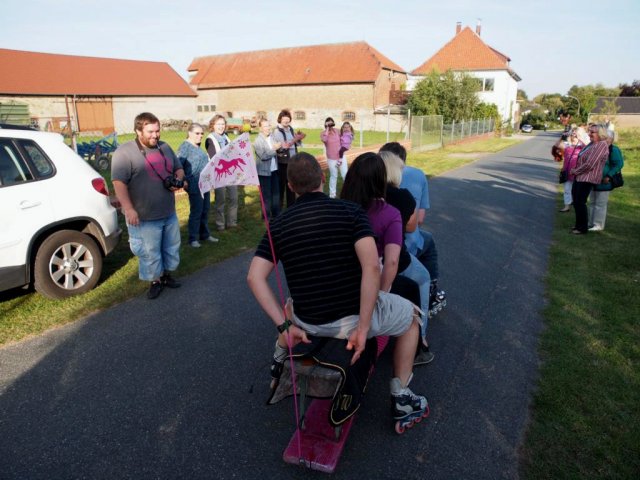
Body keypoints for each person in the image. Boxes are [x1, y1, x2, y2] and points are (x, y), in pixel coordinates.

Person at [247, 152, 429, 428]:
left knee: (289, 306)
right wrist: (363, 329)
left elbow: (254, 278)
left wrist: (285, 327)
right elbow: (371, 268)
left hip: (305, 322)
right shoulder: (350, 212)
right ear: (323, 178)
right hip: (351, 323)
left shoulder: (279, 224)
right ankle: (402, 396)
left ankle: (280, 353)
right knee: (412, 318)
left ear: (291, 186)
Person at [340, 152, 433, 365]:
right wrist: (379, 296)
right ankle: (412, 359)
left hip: (342, 280)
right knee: (413, 306)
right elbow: (391, 262)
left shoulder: (340, 208)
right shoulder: (388, 212)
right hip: (371, 279)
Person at [111, 112, 184, 299]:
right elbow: (118, 183)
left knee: (171, 247)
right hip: (144, 216)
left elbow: (178, 168)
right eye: (150, 131)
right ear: (138, 130)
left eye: (157, 131)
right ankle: (155, 281)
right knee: (150, 252)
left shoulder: (165, 147)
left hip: (168, 211)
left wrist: (178, 180)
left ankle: (166, 276)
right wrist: (128, 209)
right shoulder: (124, 152)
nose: (155, 135)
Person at [380, 142, 446, 316]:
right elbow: (415, 224)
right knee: (424, 263)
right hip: (396, 252)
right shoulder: (407, 190)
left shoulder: (365, 187)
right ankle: (429, 295)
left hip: (371, 250)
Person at [177, 123, 219, 248]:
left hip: (204, 184)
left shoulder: (198, 146)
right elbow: (178, 165)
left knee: (205, 210)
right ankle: (193, 238)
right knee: (196, 212)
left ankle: (204, 235)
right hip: (194, 185)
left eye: (201, 133)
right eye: (197, 133)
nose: (200, 136)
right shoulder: (185, 147)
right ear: (189, 133)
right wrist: (184, 181)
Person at [569, 124, 610, 234]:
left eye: (592, 132)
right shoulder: (592, 144)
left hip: (587, 178)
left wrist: (575, 171)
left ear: (600, 134)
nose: (589, 134)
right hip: (580, 177)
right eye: (589, 131)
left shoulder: (601, 145)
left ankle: (582, 228)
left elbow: (590, 164)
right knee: (577, 202)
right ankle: (579, 225)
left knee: (580, 202)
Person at [206, 115, 238, 231]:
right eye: (218, 124)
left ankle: (232, 223)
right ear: (213, 125)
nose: (221, 126)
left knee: (234, 198)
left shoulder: (227, 137)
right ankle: (220, 225)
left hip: (231, 173)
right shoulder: (210, 139)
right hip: (219, 174)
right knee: (221, 200)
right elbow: (215, 158)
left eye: (223, 124)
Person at [588, 131, 624, 231]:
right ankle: (590, 222)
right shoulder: (597, 147)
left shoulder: (613, 150)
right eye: (602, 137)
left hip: (604, 181)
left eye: (605, 137)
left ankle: (598, 225)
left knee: (600, 203)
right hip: (593, 179)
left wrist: (609, 176)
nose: (603, 139)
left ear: (611, 139)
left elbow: (618, 164)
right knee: (592, 202)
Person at [271, 109, 306, 209]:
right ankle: (279, 207)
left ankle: (291, 206)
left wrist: (298, 138)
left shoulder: (290, 129)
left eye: (288, 119)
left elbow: (295, 143)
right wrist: (296, 138)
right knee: (282, 185)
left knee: (292, 184)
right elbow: (284, 145)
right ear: (280, 120)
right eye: (284, 119)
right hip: (283, 162)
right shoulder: (277, 131)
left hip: (292, 161)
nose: (286, 121)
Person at [253, 118, 282, 220]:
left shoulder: (272, 137)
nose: (267, 128)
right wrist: (275, 149)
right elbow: (264, 156)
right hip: (264, 173)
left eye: (269, 125)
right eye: (265, 126)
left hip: (274, 170)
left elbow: (279, 147)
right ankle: (266, 216)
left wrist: (280, 147)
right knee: (266, 196)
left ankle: (276, 214)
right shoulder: (257, 141)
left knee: (276, 193)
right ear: (260, 128)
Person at [321, 117, 347, 198]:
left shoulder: (337, 131)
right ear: (325, 124)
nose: (330, 125)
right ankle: (332, 194)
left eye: (331, 123)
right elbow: (324, 140)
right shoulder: (323, 133)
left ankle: (348, 192)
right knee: (334, 175)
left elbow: (344, 139)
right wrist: (327, 129)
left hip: (341, 156)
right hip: (331, 158)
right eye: (328, 123)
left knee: (345, 174)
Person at [559, 130, 583, 212]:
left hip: (578, 172)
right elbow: (558, 148)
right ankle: (567, 206)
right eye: (573, 134)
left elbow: (589, 147)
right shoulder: (567, 145)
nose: (574, 136)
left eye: (575, 135)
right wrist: (563, 137)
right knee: (567, 189)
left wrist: (580, 138)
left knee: (577, 190)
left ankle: (576, 204)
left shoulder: (582, 146)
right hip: (567, 171)